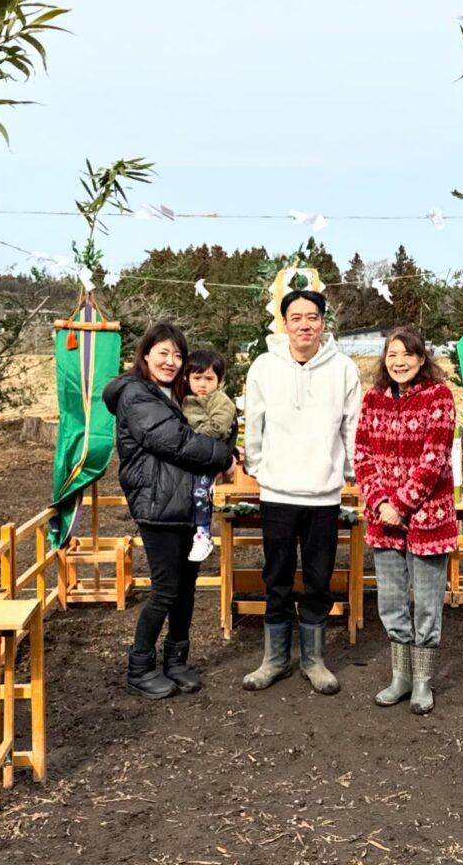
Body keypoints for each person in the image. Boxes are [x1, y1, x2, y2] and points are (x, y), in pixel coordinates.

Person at [103, 323, 234, 700]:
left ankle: (176, 660)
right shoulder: (136, 394)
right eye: (163, 353)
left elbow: (208, 427)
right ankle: (139, 666)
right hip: (157, 502)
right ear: (145, 355)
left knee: (186, 589)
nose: (171, 362)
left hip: (184, 503)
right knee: (164, 589)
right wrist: (223, 455)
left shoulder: (173, 394)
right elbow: (173, 441)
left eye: (177, 355)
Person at [242, 289, 361, 695]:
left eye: (313, 317)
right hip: (276, 493)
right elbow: (252, 423)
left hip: (323, 495)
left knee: (317, 577)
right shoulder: (263, 367)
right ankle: (274, 659)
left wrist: (346, 474)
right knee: (275, 576)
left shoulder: (343, 368)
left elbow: (352, 425)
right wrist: (259, 470)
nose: (305, 325)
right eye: (296, 318)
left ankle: (313, 659)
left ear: (323, 323)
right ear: (284, 323)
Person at [353, 326, 457, 714]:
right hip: (382, 518)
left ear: (421, 357)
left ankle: (423, 681)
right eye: (392, 355)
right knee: (392, 599)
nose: (399, 362)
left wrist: (401, 503)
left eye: (407, 355)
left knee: (427, 602)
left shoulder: (439, 397)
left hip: (428, 516)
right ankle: (399, 676)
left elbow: (435, 458)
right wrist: (381, 502)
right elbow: (362, 455)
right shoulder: (374, 398)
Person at [181, 349, 237, 562]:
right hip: (192, 456)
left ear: (219, 380)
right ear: (187, 378)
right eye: (197, 378)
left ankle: (203, 532)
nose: (202, 384)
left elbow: (218, 428)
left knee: (200, 489)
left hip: (211, 456)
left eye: (209, 378)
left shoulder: (221, 401)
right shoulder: (184, 399)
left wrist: (189, 436)